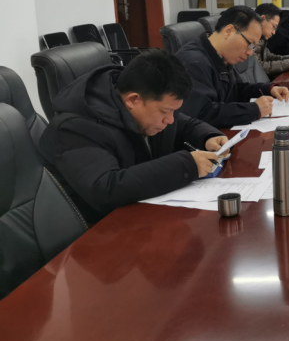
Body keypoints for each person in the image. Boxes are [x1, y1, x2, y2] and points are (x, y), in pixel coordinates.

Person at [39, 50, 228, 225]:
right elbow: (106, 189)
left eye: (174, 111)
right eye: (165, 111)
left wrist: (208, 136)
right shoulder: (75, 128)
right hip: (101, 232)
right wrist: (186, 165)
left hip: (146, 214)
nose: (170, 120)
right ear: (133, 100)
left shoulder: (149, 102)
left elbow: (183, 124)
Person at [177, 5, 289, 127]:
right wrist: (254, 110)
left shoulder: (221, 56)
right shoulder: (193, 62)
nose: (250, 53)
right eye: (250, 44)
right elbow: (204, 113)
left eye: (253, 47)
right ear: (229, 31)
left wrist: (268, 89)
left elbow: (236, 89)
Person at [254, 3, 289, 80]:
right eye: (274, 26)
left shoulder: (261, 40)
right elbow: (259, 67)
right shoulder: (251, 39)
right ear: (263, 20)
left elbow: (271, 57)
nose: (274, 32)